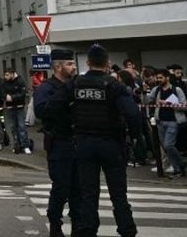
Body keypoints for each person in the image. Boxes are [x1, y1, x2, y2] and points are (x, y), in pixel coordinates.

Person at [71, 43, 141, 237]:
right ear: (108, 63)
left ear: (88, 62)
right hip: (111, 143)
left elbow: (55, 106)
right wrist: (134, 138)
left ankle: (87, 230)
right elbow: (133, 114)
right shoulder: (114, 86)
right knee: (118, 194)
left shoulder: (77, 83)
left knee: (88, 193)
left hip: (84, 143)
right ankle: (127, 230)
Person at [35, 49, 79, 237]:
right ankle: (55, 224)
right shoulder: (46, 88)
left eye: (73, 63)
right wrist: (63, 96)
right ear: (58, 66)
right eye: (69, 64)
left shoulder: (76, 85)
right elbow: (41, 111)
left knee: (79, 188)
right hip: (59, 142)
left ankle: (78, 224)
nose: (74, 67)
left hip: (78, 141)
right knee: (61, 187)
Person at [146, 68, 187, 177]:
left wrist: (169, 103)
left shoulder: (176, 90)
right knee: (166, 147)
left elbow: (184, 105)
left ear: (167, 78)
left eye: (161, 78)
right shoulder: (156, 90)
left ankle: (181, 164)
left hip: (173, 121)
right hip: (160, 121)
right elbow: (148, 100)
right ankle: (178, 168)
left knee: (169, 145)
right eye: (157, 78)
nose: (158, 80)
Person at [3, 68, 32, 154]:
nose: (5, 77)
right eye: (5, 75)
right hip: (10, 107)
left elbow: (22, 93)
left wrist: (12, 97)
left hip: (19, 107)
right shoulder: (5, 83)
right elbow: (2, 92)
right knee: (13, 127)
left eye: (7, 75)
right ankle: (17, 145)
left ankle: (25, 145)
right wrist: (5, 97)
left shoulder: (20, 81)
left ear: (12, 74)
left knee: (21, 126)